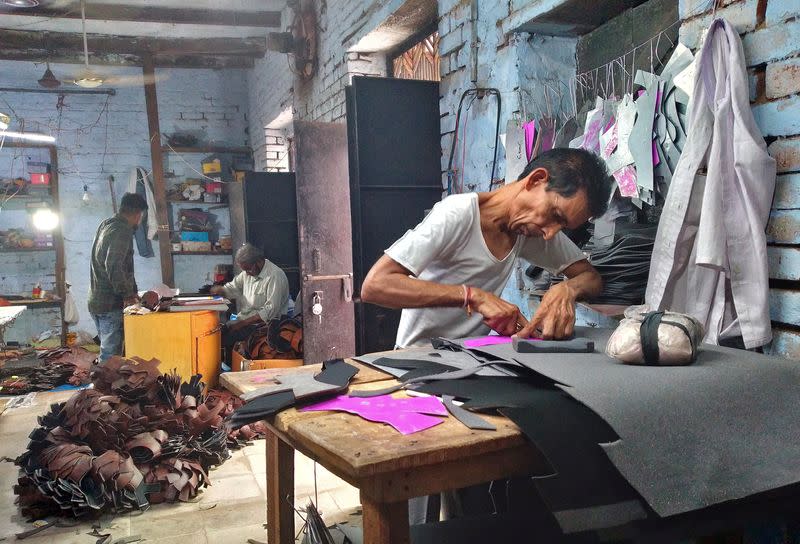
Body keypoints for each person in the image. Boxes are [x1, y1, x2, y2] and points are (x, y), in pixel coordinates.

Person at [362, 147, 612, 346]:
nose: (550, 234)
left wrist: (567, 289)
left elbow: (591, 278)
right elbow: (376, 285)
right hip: (418, 358)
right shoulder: (458, 214)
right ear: (536, 180)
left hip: (472, 360)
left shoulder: (530, 230)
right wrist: (473, 297)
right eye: (555, 214)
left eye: (562, 226)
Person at [88, 192, 147, 362]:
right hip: (110, 304)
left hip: (97, 300)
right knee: (110, 357)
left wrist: (133, 290)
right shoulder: (122, 230)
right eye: (140, 216)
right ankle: (102, 388)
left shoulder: (106, 224)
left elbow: (123, 266)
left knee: (108, 352)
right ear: (137, 214)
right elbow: (114, 265)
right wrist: (127, 295)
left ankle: (104, 385)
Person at [210, 243, 291, 354]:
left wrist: (240, 324)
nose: (246, 273)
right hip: (243, 318)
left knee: (223, 338)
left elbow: (269, 312)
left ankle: (230, 366)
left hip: (264, 325)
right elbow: (234, 287)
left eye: (248, 269)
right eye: (244, 270)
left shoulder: (274, 276)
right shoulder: (247, 273)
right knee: (220, 328)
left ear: (258, 262)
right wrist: (222, 290)